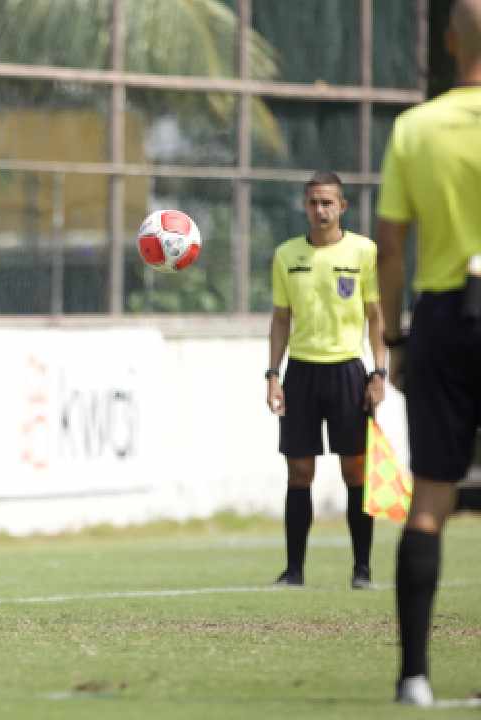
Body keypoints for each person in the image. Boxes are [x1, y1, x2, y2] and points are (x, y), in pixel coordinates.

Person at [375, 0, 481, 706]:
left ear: (448, 41)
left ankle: (414, 676)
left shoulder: (415, 128)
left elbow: (389, 245)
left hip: (445, 314)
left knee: (430, 500)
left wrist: (396, 340)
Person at [266, 171, 386, 589]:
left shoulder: (363, 252)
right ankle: (294, 570)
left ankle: (362, 569)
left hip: (348, 371)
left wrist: (378, 373)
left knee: (355, 471)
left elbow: (376, 318)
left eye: (328, 202)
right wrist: (273, 375)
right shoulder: (286, 255)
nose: (320, 210)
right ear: (305, 206)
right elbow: (281, 319)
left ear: (342, 207)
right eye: (314, 202)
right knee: (299, 472)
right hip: (301, 371)